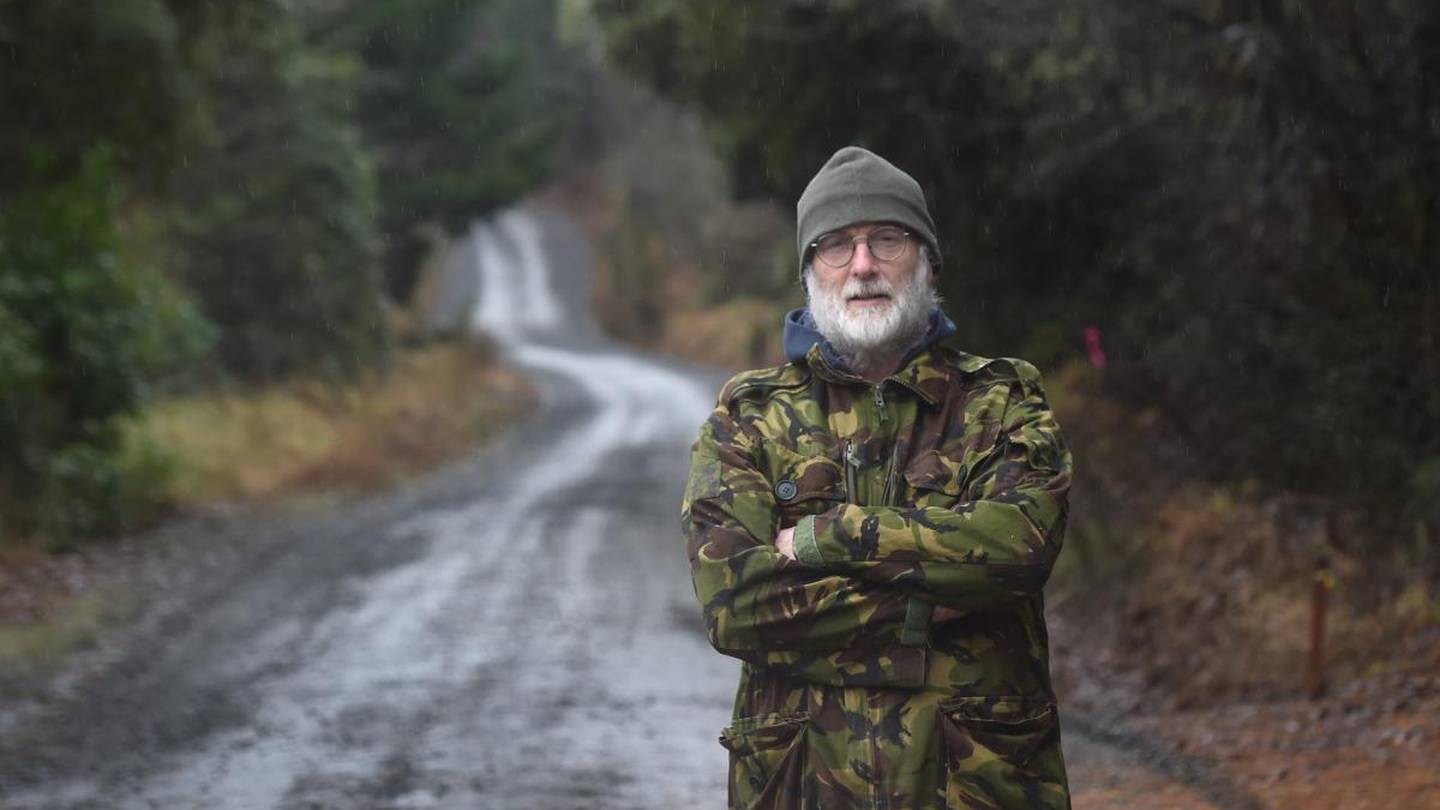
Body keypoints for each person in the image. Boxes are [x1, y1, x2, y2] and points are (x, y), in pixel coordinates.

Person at [682, 146, 1073, 809]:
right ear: (810, 271)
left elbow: (1016, 549)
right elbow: (735, 605)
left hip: (979, 785)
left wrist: (828, 539)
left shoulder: (1002, 402)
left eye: (887, 239)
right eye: (837, 246)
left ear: (926, 261)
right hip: (801, 785)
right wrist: (922, 609)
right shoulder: (750, 418)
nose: (862, 266)